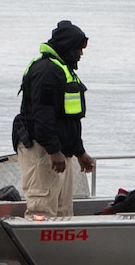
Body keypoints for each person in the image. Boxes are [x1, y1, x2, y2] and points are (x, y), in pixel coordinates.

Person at [12, 20, 95, 218]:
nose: (80, 55)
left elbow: (69, 121)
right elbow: (43, 115)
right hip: (42, 149)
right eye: (78, 49)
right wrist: (53, 150)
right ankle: (37, 247)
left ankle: (62, 248)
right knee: (42, 209)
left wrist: (79, 152)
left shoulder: (63, 71)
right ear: (67, 47)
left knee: (63, 211)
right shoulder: (46, 72)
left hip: (59, 150)